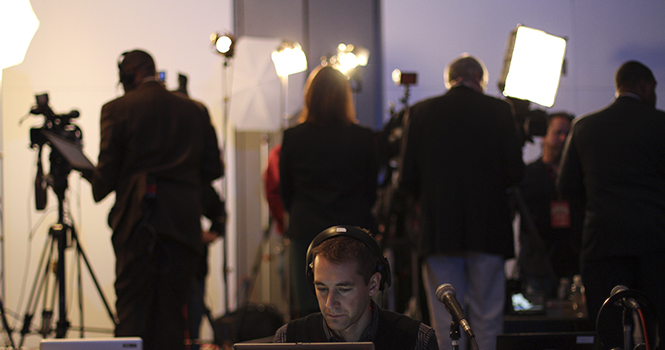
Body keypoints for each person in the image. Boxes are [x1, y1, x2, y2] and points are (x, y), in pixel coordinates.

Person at [86, 49, 223, 350]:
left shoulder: (116, 109)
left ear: (128, 73)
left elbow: (104, 178)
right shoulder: (195, 110)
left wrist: (86, 171)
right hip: (183, 225)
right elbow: (214, 168)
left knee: (132, 313)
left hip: (137, 224)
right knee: (173, 315)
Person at [400, 54, 525, 350]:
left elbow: (407, 179)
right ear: (480, 81)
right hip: (489, 230)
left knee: (445, 320)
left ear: (449, 80)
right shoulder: (500, 111)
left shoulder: (420, 112)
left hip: (439, 230)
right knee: (488, 317)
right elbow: (516, 172)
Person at [558, 60, 665, 348]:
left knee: (610, 330)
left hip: (603, 242)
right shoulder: (661, 123)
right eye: (654, 87)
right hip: (657, 243)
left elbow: (565, 187)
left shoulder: (584, 127)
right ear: (643, 85)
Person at [279, 65, 379, 318]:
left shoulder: (293, 137)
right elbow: (371, 191)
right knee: (354, 310)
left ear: (309, 97)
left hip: (306, 231)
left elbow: (286, 191)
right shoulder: (363, 137)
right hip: (353, 231)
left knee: (310, 311)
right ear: (345, 96)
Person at [273, 226, 438, 350]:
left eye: (343, 289)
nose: (330, 304)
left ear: (373, 285)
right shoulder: (288, 339)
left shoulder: (416, 339)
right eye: (322, 288)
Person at [517, 112, 583, 297]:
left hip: (575, 262)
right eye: (558, 133)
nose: (563, 139)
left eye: (568, 134)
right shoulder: (526, 175)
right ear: (544, 135)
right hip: (537, 265)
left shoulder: (580, 176)